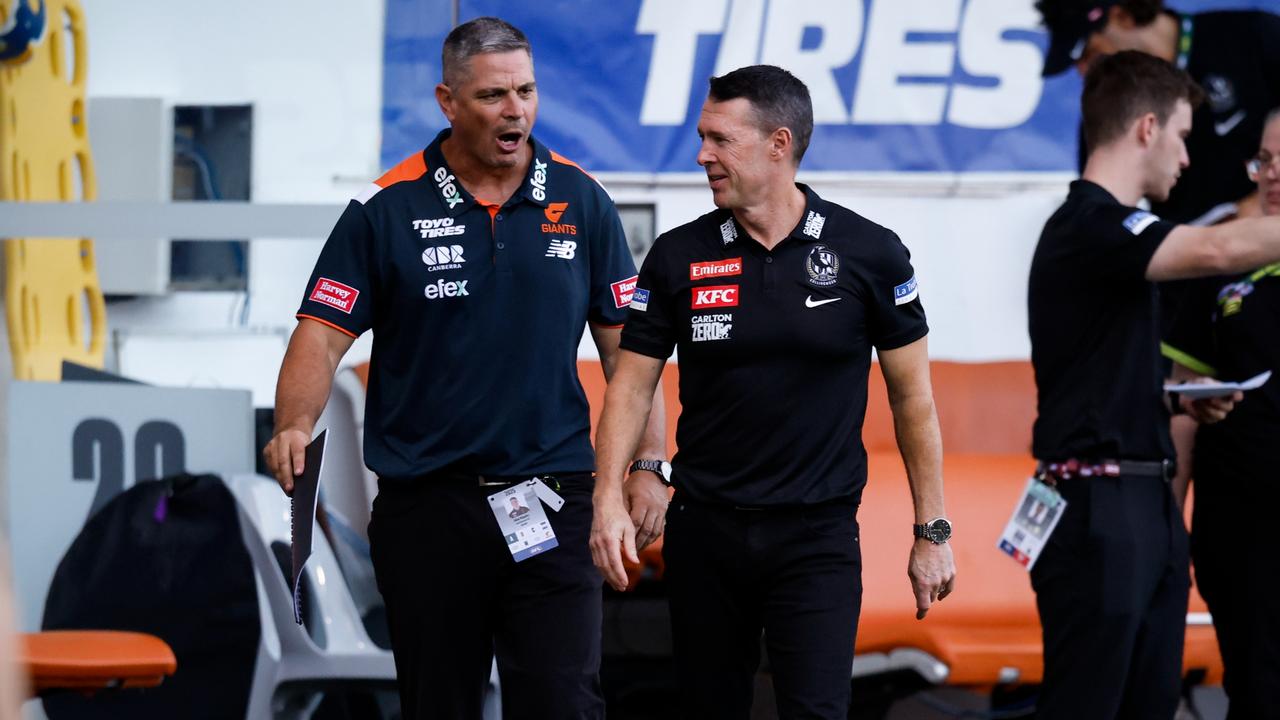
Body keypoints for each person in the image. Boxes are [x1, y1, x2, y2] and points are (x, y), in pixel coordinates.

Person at [262, 16, 666, 719]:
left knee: (564, 703)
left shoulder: (582, 200)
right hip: (429, 508)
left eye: (527, 91)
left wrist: (650, 462)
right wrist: (295, 424)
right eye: (493, 97)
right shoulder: (385, 209)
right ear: (448, 102)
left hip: (554, 499)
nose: (516, 111)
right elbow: (322, 335)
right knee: (438, 704)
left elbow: (631, 354)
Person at [589, 65, 956, 720]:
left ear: (778, 145)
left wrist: (932, 530)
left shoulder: (870, 253)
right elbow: (631, 385)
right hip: (704, 532)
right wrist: (609, 497)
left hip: (816, 538)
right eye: (703, 137)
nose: (703, 155)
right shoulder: (679, 257)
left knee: (815, 712)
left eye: (720, 140)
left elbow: (913, 400)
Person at [1027, 51, 1280, 719]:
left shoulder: (1125, 242)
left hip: (1145, 501)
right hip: (1095, 505)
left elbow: (1099, 375)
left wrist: (1179, 400)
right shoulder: (1090, 226)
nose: (1188, 160)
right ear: (1146, 128)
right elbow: (1219, 250)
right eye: (1183, 137)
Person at [1161, 107, 1280, 720]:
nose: (1273, 173)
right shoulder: (1219, 258)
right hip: (1240, 531)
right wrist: (1168, 530)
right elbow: (1182, 402)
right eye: (1265, 158)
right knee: (1257, 690)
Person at [1037, 0, 1280, 224]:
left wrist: (1258, 206)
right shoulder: (1110, 109)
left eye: (1089, 52)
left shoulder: (1253, 34)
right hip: (1196, 259)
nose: (1084, 71)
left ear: (1122, 15)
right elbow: (1102, 216)